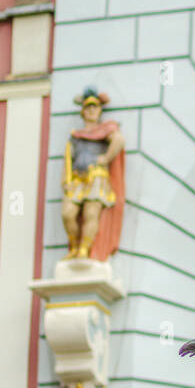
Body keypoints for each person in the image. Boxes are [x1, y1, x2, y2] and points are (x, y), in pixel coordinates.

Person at [61, 87, 125, 259]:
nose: (91, 111)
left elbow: (118, 140)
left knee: (91, 212)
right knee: (67, 213)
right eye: (88, 107)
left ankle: (84, 249)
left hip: (96, 177)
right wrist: (65, 180)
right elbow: (68, 159)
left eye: (95, 107)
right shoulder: (76, 136)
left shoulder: (105, 129)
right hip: (77, 179)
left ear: (99, 110)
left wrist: (105, 158)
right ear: (83, 112)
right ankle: (74, 246)